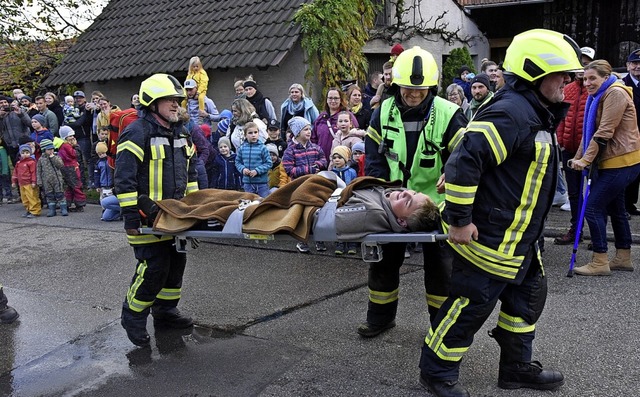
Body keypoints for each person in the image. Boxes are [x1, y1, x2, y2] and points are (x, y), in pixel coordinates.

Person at [418, 29, 583, 397]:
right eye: (562, 74)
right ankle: (437, 373)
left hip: (521, 239)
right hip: (490, 238)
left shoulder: (534, 110)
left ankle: (516, 369)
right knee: (470, 307)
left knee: (525, 303)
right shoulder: (512, 112)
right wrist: (460, 222)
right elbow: (465, 161)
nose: (568, 82)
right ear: (535, 72)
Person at [363, 45, 467, 338]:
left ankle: (440, 328)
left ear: (431, 87)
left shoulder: (449, 113)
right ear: (396, 84)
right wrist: (381, 194)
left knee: (441, 271)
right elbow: (374, 158)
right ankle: (380, 318)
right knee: (383, 263)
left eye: (420, 90)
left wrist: (454, 171)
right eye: (408, 89)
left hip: (439, 205)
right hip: (394, 203)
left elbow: (466, 154)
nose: (414, 95)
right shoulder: (382, 111)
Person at [114, 73, 199, 347]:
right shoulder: (137, 132)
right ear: (152, 103)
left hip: (177, 216)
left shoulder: (182, 133)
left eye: (178, 100)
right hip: (146, 216)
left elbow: (192, 173)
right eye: (170, 100)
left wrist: (197, 211)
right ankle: (133, 315)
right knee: (154, 267)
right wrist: (132, 216)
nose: (176, 104)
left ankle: (165, 313)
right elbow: (124, 178)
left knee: (176, 265)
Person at [568, 60, 640, 276]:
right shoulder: (598, 94)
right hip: (612, 161)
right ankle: (623, 257)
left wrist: (586, 161)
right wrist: (578, 157)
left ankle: (600, 260)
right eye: (585, 78)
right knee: (616, 209)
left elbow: (604, 132)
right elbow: (588, 132)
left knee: (591, 208)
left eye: (592, 78)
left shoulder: (614, 93)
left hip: (622, 160)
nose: (587, 83)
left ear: (605, 76)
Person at [554, 46, 595, 245]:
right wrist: (561, 141)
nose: (582, 69)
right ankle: (575, 229)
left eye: (586, 65)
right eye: (580, 65)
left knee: (593, 195)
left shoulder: (595, 89)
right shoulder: (567, 88)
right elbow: (560, 118)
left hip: (591, 151)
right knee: (573, 193)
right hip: (569, 149)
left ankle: (597, 233)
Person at [282, 116, 328, 253]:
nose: (309, 132)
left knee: (317, 212)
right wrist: (309, 170)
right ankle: (303, 242)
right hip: (299, 187)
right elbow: (290, 170)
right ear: (297, 132)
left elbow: (323, 160)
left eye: (309, 129)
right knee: (303, 215)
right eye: (305, 129)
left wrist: (318, 165)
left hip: (314, 186)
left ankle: (319, 239)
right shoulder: (290, 151)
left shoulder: (315, 147)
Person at [312, 88, 358, 162]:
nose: (333, 101)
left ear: (340, 100)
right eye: (330, 98)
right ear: (326, 100)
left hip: (340, 162)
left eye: (336, 98)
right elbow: (313, 139)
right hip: (321, 161)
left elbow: (355, 137)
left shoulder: (347, 116)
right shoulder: (321, 117)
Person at [622, 48, 640, 216]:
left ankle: (631, 204)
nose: (637, 67)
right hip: (629, 136)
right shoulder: (622, 85)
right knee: (627, 171)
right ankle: (623, 206)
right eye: (634, 63)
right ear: (627, 66)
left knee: (638, 173)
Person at [235, 121, 272, 198]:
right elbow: (237, 162)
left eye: (255, 132)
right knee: (249, 203)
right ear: (245, 135)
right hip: (248, 183)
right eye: (250, 133)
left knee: (263, 202)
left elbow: (269, 163)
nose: (253, 135)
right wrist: (243, 169)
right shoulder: (242, 148)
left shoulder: (263, 148)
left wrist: (257, 171)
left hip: (262, 183)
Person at [58, 126, 86, 212]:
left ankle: (67, 204)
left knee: (69, 187)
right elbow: (75, 154)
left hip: (66, 168)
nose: (73, 137)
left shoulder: (61, 145)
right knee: (76, 185)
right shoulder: (67, 146)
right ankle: (80, 204)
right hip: (72, 168)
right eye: (70, 136)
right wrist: (76, 146)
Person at [36, 138, 68, 217]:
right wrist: (39, 181)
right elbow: (38, 171)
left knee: (60, 194)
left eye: (52, 149)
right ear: (44, 150)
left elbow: (60, 165)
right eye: (48, 149)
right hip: (46, 181)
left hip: (57, 180)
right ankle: (52, 210)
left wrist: (53, 157)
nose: (51, 151)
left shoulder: (56, 157)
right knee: (49, 195)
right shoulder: (41, 159)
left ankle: (63, 208)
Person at [1, 96, 32, 165]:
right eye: (1, 103)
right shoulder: (1, 115)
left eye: (5, 102)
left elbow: (30, 123)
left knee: (27, 164)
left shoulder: (18, 110)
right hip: (10, 145)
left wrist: (21, 114)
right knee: (16, 165)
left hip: (23, 143)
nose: (4, 104)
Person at [12, 144, 41, 217]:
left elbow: (33, 173)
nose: (25, 154)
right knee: (24, 198)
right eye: (23, 153)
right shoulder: (18, 163)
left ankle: (35, 211)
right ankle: (28, 209)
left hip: (29, 183)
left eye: (27, 153)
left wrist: (34, 181)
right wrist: (13, 181)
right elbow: (15, 172)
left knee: (32, 197)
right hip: (21, 183)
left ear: (30, 153)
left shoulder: (31, 162)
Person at [94, 141, 121, 221]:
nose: (101, 155)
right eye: (99, 154)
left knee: (107, 200)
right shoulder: (98, 163)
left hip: (112, 185)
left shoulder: (111, 162)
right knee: (103, 200)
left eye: (103, 153)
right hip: (103, 184)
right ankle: (107, 211)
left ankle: (124, 212)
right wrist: (97, 185)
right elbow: (96, 175)